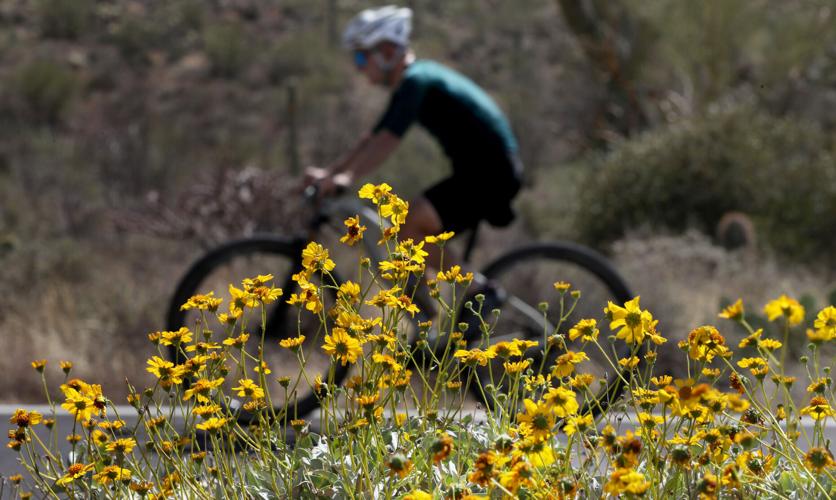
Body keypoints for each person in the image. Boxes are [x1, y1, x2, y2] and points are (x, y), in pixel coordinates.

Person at [305, 5, 523, 275]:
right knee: (406, 243)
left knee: (409, 229)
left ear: (386, 53)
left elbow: (387, 140)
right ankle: (427, 309)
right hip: (481, 173)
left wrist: (347, 179)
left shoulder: (416, 81)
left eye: (360, 59)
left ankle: (479, 290)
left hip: (491, 174)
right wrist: (330, 173)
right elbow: (371, 138)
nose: (358, 69)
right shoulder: (413, 82)